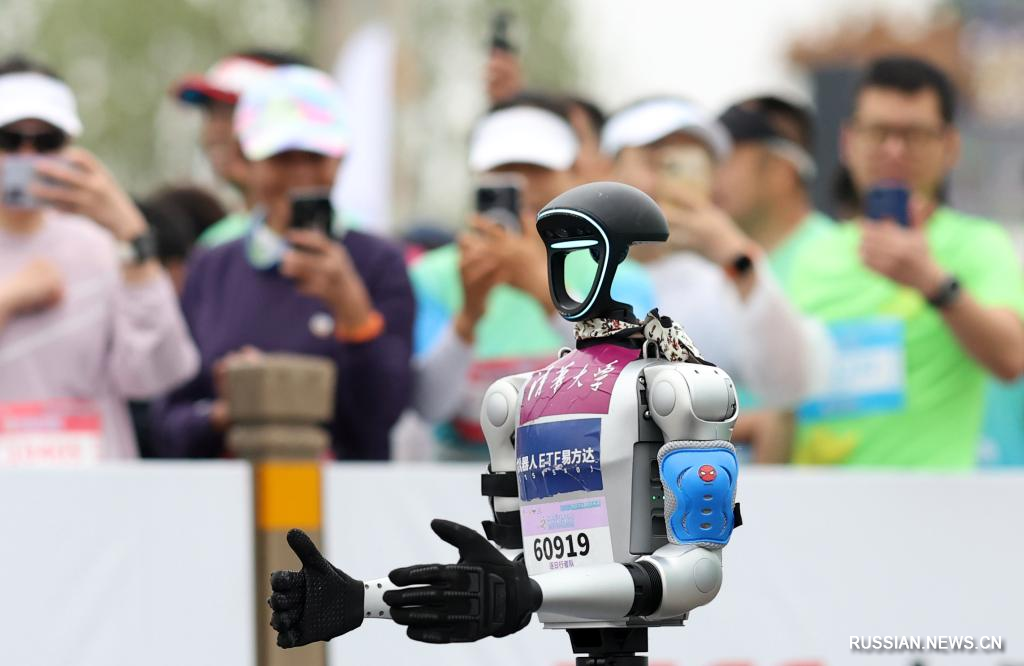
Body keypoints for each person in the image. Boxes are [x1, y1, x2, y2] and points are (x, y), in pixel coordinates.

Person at [150, 65, 414, 460]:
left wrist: (353, 312)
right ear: (244, 159)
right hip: (230, 489)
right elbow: (166, 421)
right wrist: (228, 412)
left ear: (341, 159)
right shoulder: (212, 267)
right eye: (281, 157)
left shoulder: (379, 263)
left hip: (343, 493)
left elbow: (382, 415)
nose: (301, 174)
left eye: (315, 156)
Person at [787, 55, 1024, 467]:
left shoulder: (978, 244)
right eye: (879, 132)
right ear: (848, 141)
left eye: (914, 134)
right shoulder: (812, 253)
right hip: (819, 497)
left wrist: (934, 284)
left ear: (950, 146)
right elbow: (782, 396)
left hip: (932, 499)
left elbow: (1011, 358)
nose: (894, 149)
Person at [410, 93, 654, 459]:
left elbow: (633, 385)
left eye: (539, 169)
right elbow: (430, 407)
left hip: (586, 473)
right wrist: (468, 317)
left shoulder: (618, 271)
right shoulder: (432, 274)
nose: (523, 184)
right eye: (504, 169)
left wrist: (546, 292)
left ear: (572, 175)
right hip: (462, 480)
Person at [0, 56, 199, 460]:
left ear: (70, 148)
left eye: (46, 142)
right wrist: (11, 297)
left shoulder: (101, 246)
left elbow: (157, 373)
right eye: (8, 140)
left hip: (93, 485)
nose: (26, 155)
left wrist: (131, 231)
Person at [603, 96, 830, 428]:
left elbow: (789, 386)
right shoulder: (570, 265)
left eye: (692, 163)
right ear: (608, 168)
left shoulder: (722, 278)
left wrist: (737, 259)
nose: (670, 180)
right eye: (656, 160)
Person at [712, 95, 837, 460]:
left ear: (783, 171)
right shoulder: (708, 265)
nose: (712, 178)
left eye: (726, 160)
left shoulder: (839, 257)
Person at [171, 49, 311, 248]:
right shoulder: (215, 246)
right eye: (211, 113)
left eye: (235, 112)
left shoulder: (347, 242)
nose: (215, 131)